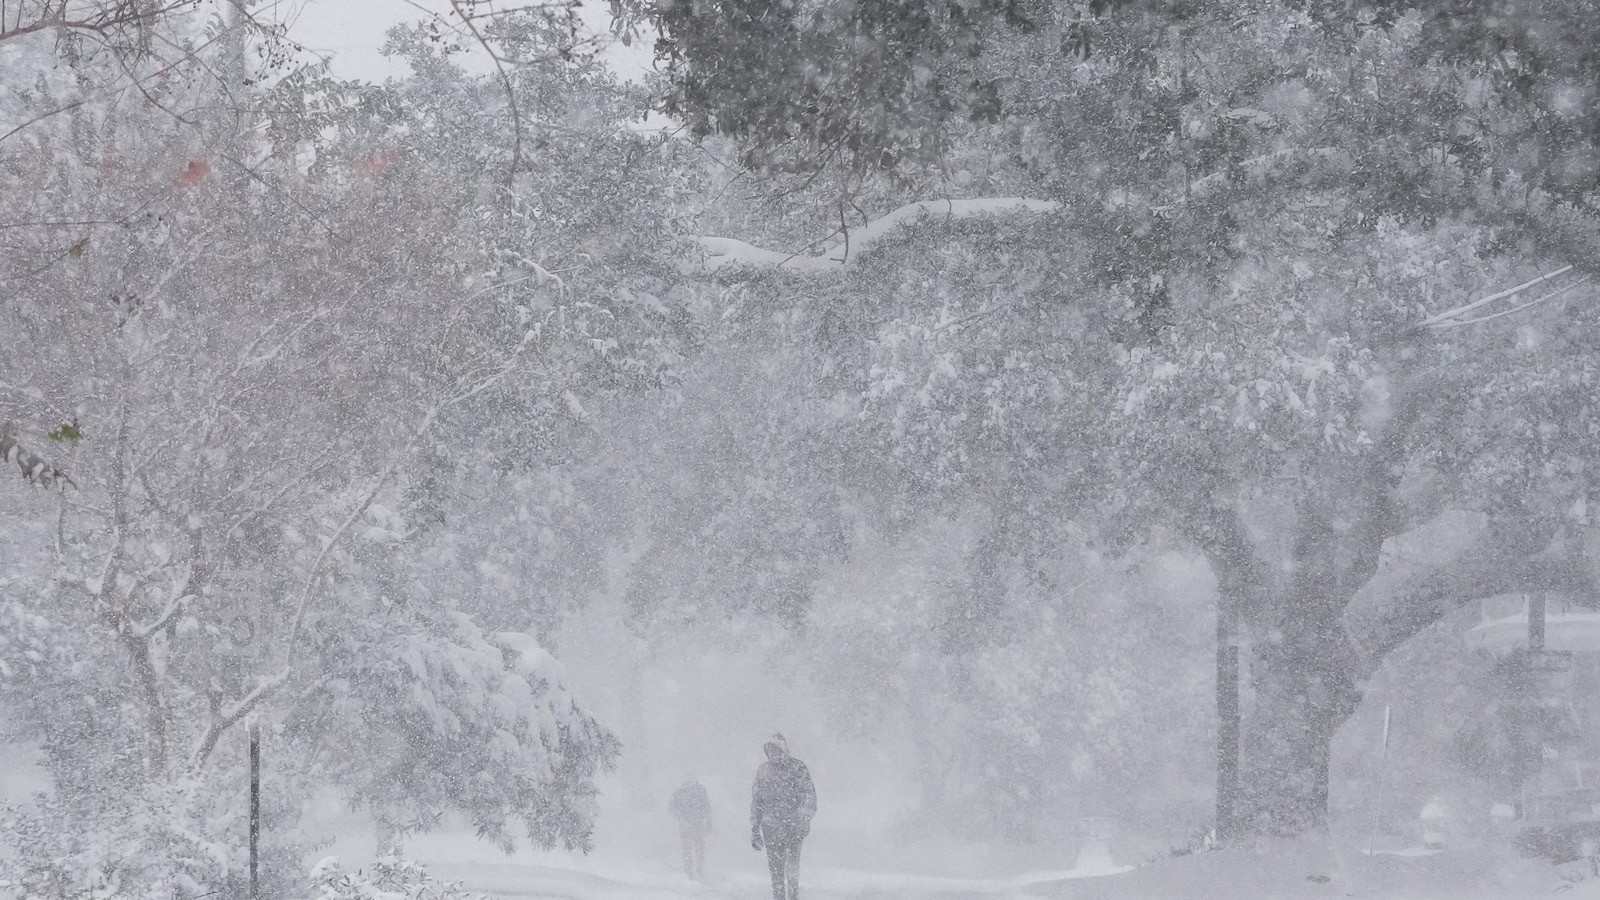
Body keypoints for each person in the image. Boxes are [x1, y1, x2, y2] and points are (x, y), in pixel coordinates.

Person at [750, 733, 815, 900]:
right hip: (771, 829)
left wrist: (804, 818)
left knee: (792, 868)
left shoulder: (798, 768)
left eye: (776, 750)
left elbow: (809, 795)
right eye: (770, 751)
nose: (773, 754)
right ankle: (778, 897)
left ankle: (793, 896)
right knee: (775, 870)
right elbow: (757, 801)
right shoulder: (763, 771)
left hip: (793, 829)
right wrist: (755, 829)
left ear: (784, 750)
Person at [668, 775, 713, 880]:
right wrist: (708, 822)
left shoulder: (681, 791)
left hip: (687, 825)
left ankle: (690, 871)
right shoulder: (699, 790)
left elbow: (671, 806)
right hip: (697, 824)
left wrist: (680, 817)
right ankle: (697, 870)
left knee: (688, 849)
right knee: (698, 848)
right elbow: (707, 807)